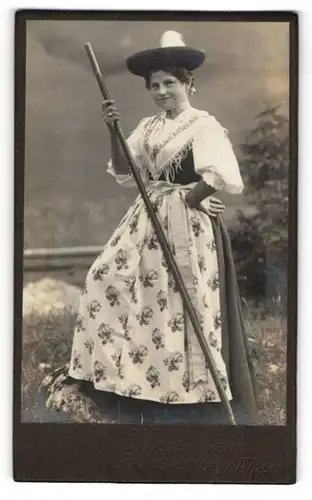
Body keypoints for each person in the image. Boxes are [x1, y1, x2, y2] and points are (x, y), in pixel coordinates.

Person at [65, 31, 258, 424]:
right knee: (106, 279)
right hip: (146, 216)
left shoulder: (202, 125)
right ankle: (126, 383)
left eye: (170, 83)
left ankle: (188, 394)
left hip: (186, 225)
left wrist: (193, 197)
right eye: (155, 85)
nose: (162, 91)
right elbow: (124, 169)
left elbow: (220, 172)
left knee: (175, 300)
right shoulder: (149, 127)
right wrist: (112, 130)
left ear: (189, 84)